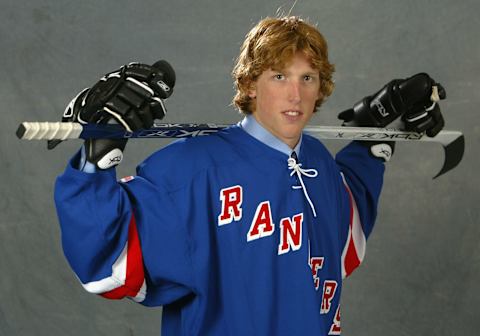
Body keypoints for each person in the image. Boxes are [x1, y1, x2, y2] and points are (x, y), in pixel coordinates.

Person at [54, 16, 445, 335]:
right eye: (279, 76)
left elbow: (346, 215)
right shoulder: (191, 170)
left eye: (307, 78)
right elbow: (108, 256)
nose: (295, 94)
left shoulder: (318, 162)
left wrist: (373, 131)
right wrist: (98, 157)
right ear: (249, 84)